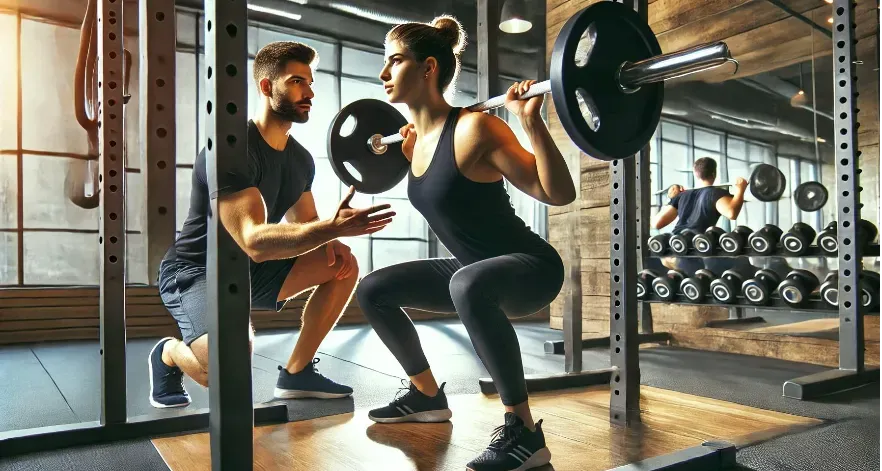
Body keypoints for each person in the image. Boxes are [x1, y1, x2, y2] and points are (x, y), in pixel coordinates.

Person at [355, 15, 576, 471]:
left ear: (428, 68)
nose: (383, 73)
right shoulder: (413, 142)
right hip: (470, 271)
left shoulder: (476, 128)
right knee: (374, 290)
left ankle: (524, 432)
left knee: (466, 284)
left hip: (529, 267)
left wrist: (531, 123)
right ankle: (425, 395)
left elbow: (558, 193)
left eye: (394, 61)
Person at [148, 41, 395, 409]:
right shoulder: (233, 151)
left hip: (250, 272)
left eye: (310, 82)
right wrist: (331, 228)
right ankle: (168, 354)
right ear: (266, 87)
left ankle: (297, 373)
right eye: (297, 82)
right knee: (224, 370)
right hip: (196, 271)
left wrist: (333, 238)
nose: (309, 92)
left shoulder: (300, 160)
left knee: (342, 266)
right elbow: (253, 239)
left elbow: (306, 223)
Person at [649, 156, 747, 274]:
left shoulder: (682, 195)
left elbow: (656, 223)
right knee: (742, 262)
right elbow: (732, 213)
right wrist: (741, 190)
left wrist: (669, 199)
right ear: (714, 173)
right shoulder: (715, 193)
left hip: (671, 250)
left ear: (695, 174)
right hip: (690, 252)